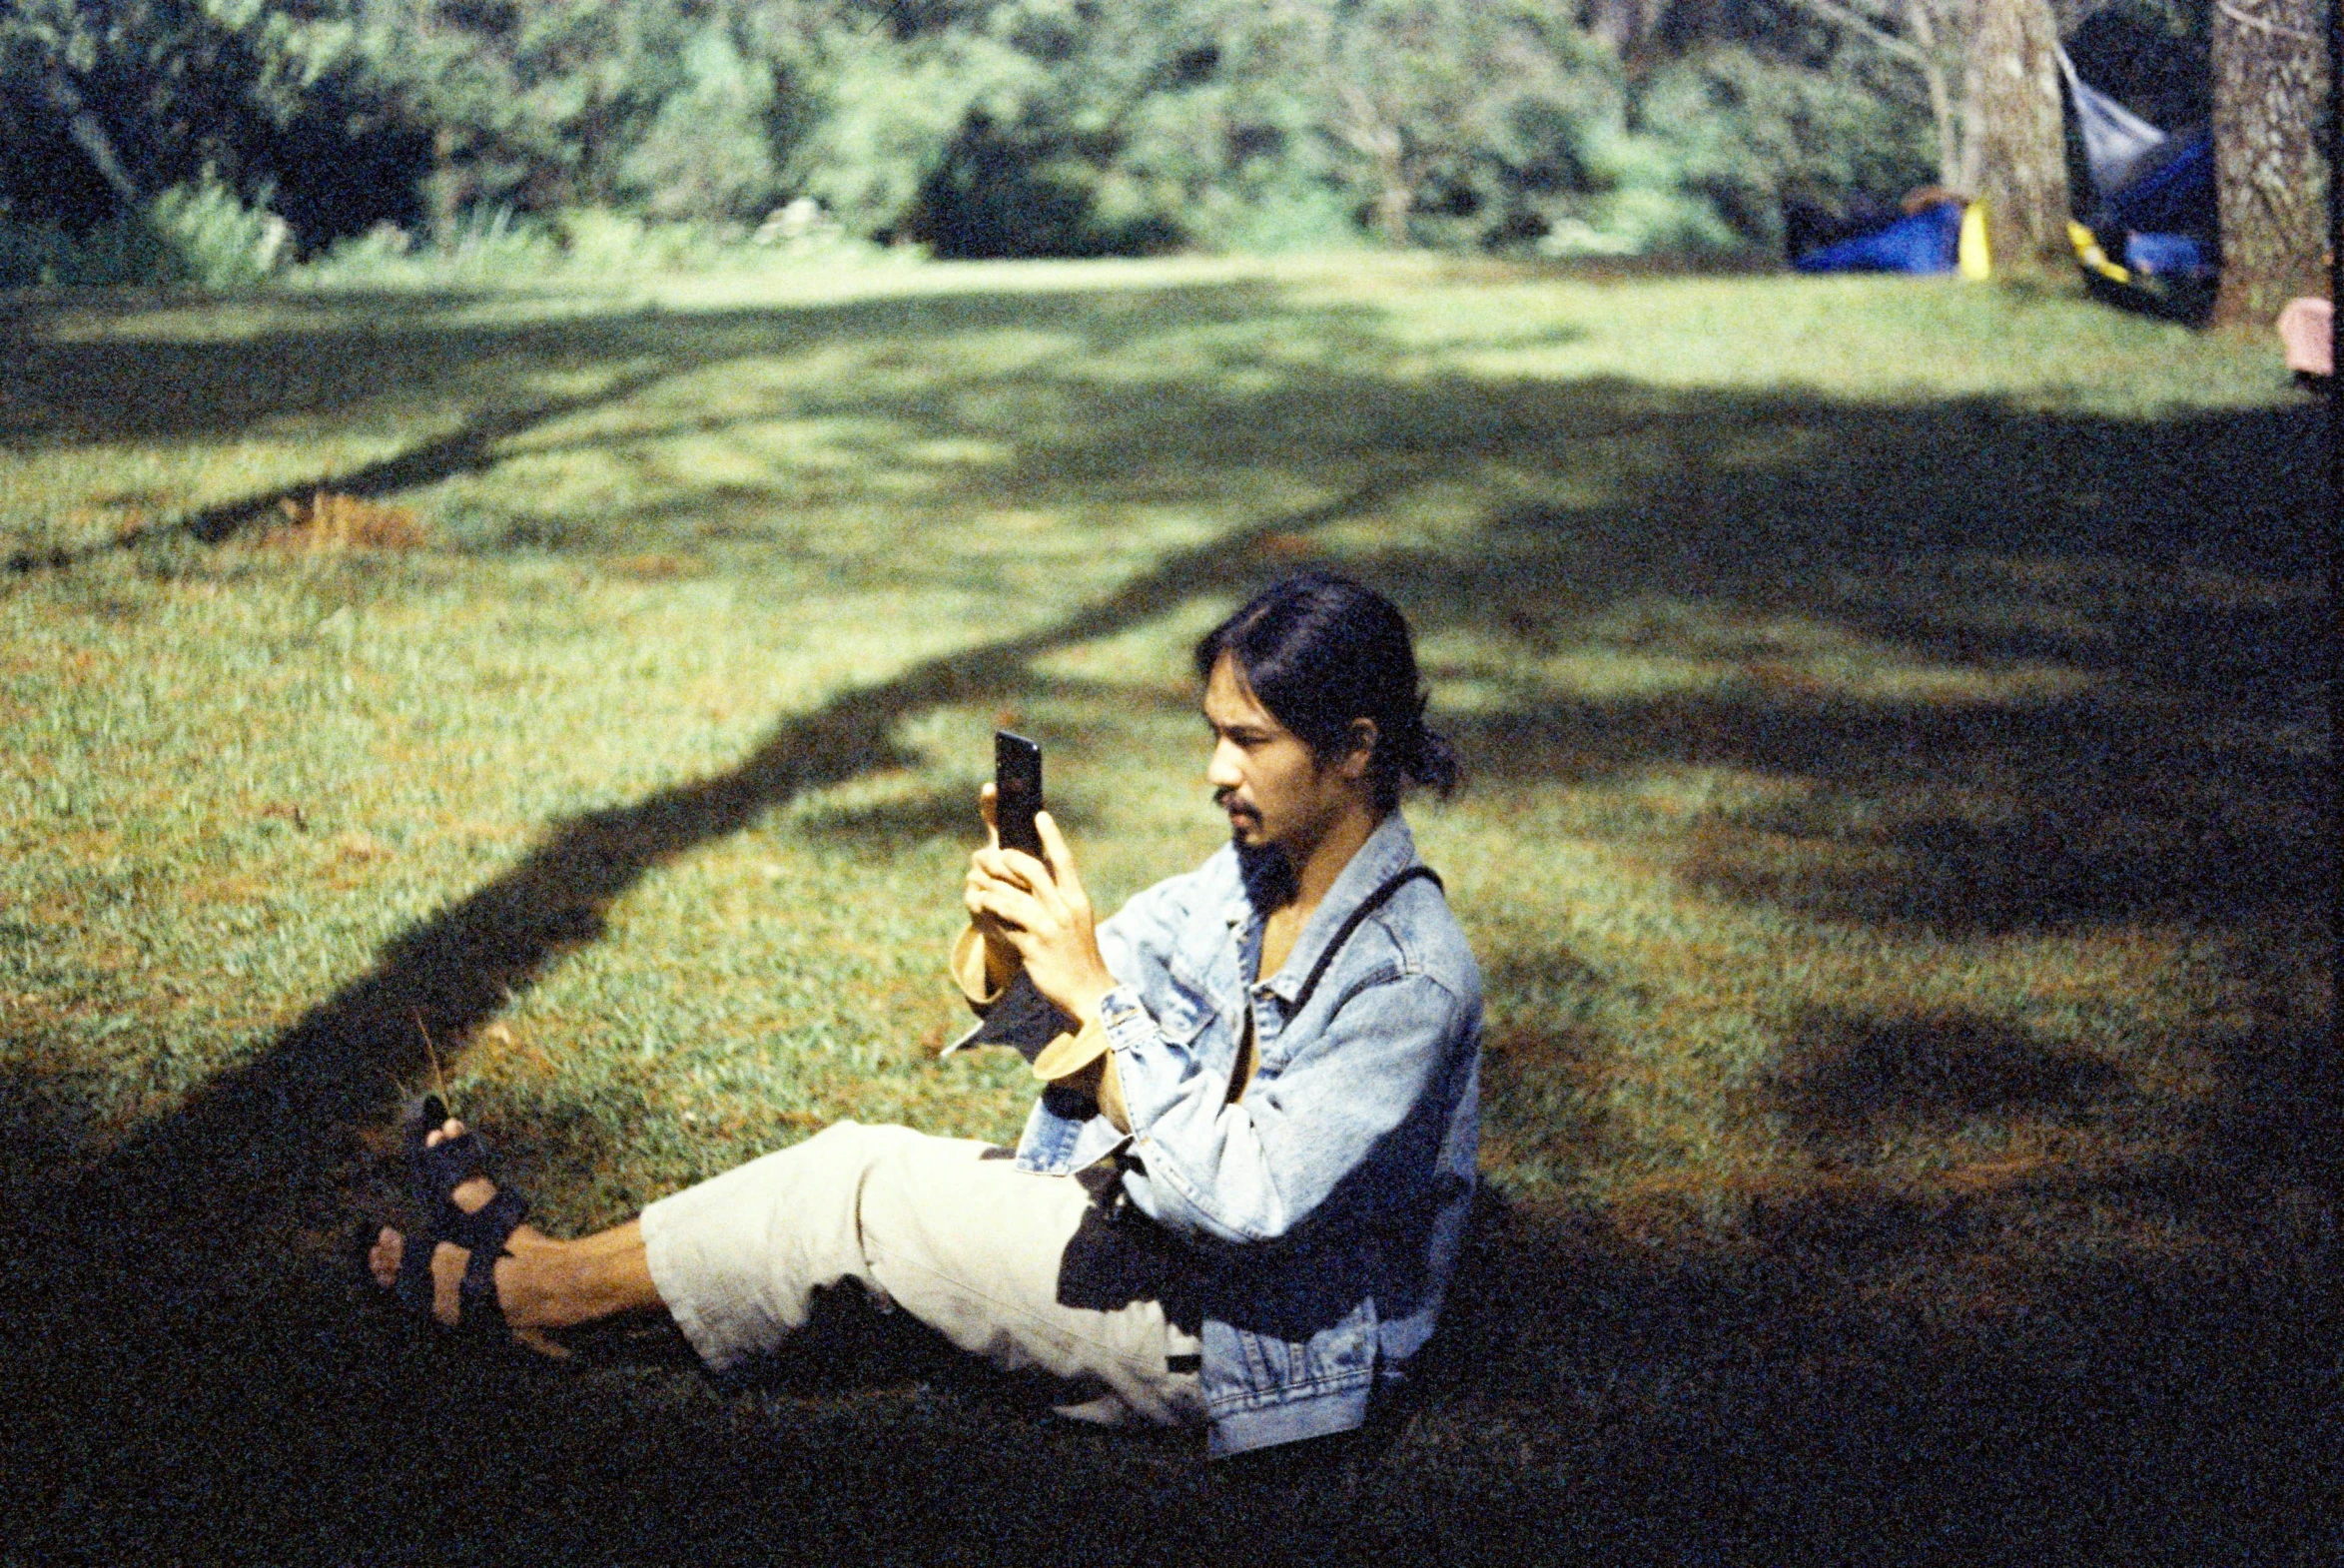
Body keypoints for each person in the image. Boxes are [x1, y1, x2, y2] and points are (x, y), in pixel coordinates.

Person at [369, 569, 1483, 1459]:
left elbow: (1245, 1196)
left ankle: (538, 1296)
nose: (1213, 771)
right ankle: (545, 1262)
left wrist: (1092, 988)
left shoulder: (1408, 975)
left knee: (863, 1189)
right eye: (1214, 732)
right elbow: (1055, 1010)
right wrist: (1014, 927)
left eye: (1249, 741)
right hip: (1161, 1246)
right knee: (856, 1177)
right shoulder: (1247, 878)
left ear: (1352, 747)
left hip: (1252, 1345)